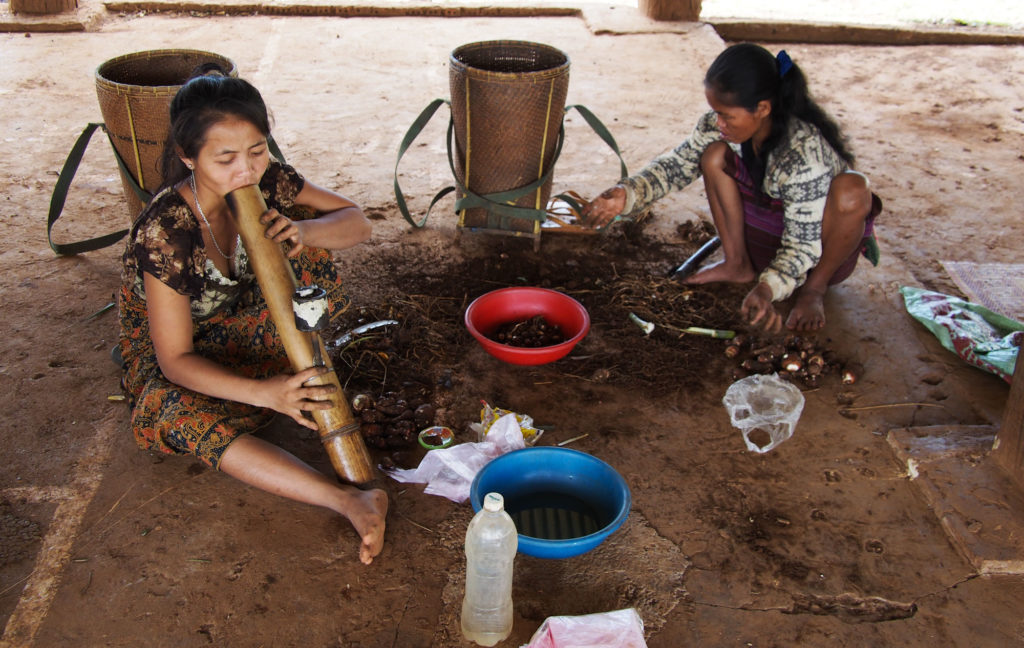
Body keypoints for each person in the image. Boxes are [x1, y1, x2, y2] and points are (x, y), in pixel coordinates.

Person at [116, 68, 388, 565]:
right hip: (183, 349)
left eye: (258, 150)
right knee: (168, 408)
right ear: (186, 157)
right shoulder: (165, 232)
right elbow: (175, 358)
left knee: (311, 254)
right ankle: (345, 498)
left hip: (242, 319)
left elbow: (357, 221)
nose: (246, 171)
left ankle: (280, 391)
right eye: (224, 159)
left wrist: (306, 232)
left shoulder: (270, 180)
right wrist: (266, 392)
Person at [583, 43, 882, 333]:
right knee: (712, 154)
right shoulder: (719, 126)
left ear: (762, 108)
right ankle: (737, 263)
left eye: (726, 114)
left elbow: (803, 244)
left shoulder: (803, 154)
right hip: (763, 239)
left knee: (852, 189)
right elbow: (678, 163)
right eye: (715, 111)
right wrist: (629, 193)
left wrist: (768, 288)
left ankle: (813, 291)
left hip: (815, 254)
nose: (718, 121)